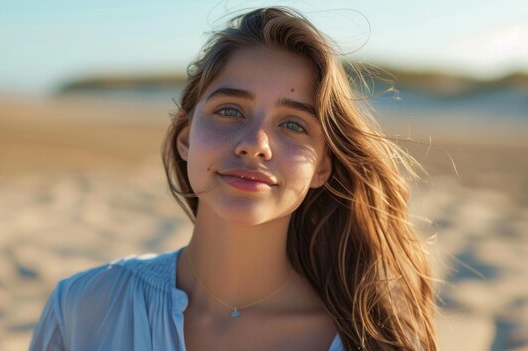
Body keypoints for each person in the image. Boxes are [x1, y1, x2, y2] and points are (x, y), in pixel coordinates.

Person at [29, 7, 437, 351]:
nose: (255, 144)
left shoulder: (370, 339)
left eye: (293, 124)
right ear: (186, 137)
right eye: (230, 111)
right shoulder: (83, 307)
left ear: (321, 168)